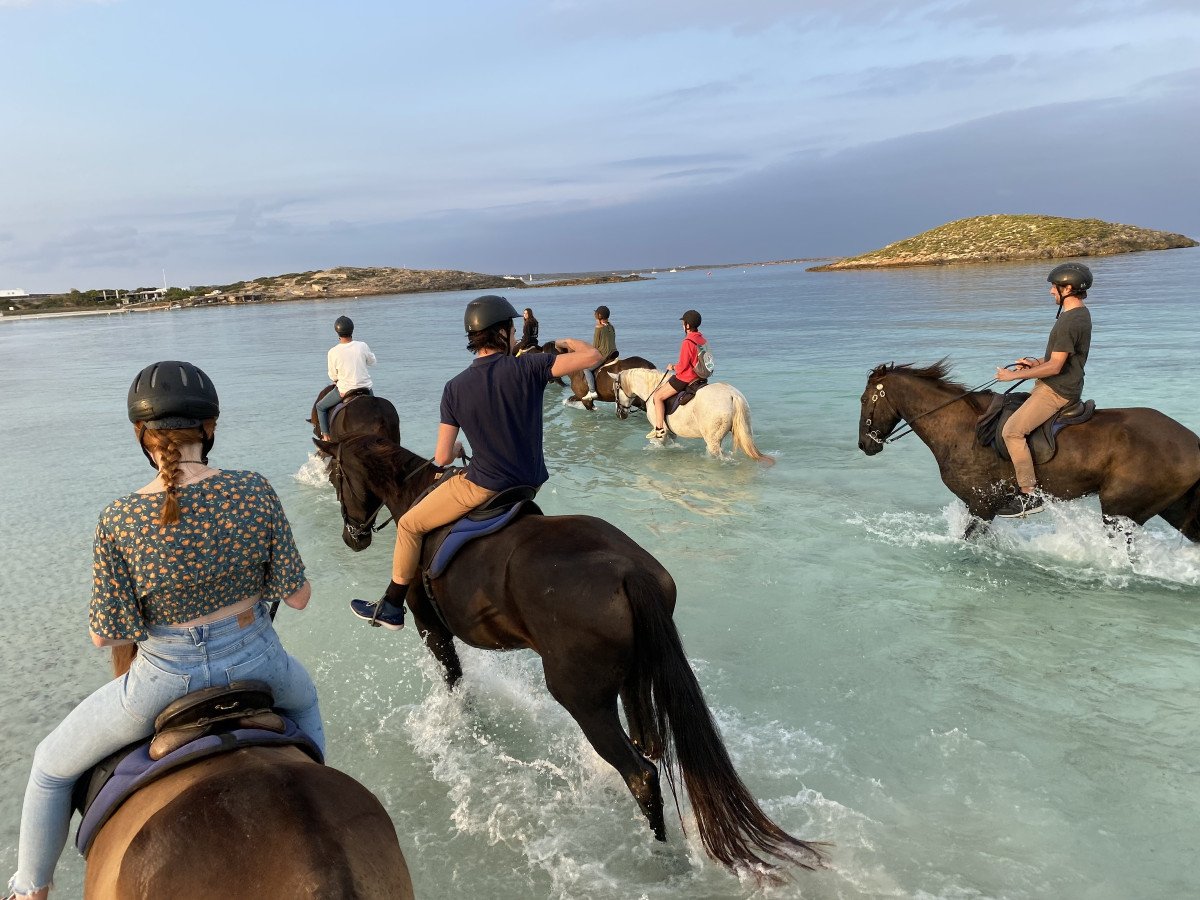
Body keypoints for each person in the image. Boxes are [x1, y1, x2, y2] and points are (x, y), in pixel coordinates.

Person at [6, 361, 323, 900]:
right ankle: (318, 814)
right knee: (308, 700)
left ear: (142, 437)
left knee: (50, 768)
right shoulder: (254, 490)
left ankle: (27, 889)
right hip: (258, 661)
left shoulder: (120, 518)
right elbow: (297, 597)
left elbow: (106, 637)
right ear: (211, 428)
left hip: (163, 682)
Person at [351, 295, 601, 629]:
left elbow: (440, 458)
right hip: (530, 482)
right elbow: (593, 356)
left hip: (486, 486)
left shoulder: (454, 388)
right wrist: (567, 342)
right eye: (512, 332)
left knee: (410, 524)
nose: (514, 337)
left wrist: (455, 451)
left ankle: (393, 606)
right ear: (500, 333)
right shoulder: (531, 366)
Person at [993, 263, 1094, 517]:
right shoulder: (1079, 314)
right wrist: (1035, 363)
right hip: (1064, 382)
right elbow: (1061, 358)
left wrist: (1013, 376)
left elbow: (1056, 367)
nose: (1051, 291)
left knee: (1012, 431)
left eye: (1054, 286)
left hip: (1057, 390)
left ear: (1068, 288)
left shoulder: (1069, 321)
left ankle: (1029, 494)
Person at [647, 309, 708, 441]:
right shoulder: (702, 339)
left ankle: (659, 429)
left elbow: (683, 366)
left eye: (683, 323)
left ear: (687, 326)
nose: (682, 326)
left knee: (657, 396)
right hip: (700, 377)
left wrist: (673, 366)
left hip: (686, 378)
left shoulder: (687, 342)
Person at [316, 315, 376, 440]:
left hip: (345, 391)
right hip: (366, 389)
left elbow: (333, 375)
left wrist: (338, 378)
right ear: (352, 330)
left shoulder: (333, 351)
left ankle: (326, 436)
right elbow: (372, 362)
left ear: (337, 332)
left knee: (320, 407)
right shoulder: (362, 345)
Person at [582, 306, 617, 401]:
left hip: (604, 355)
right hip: (614, 353)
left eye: (596, 314)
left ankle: (592, 391)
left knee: (586, 369)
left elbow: (595, 346)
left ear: (599, 316)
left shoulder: (598, 328)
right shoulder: (611, 326)